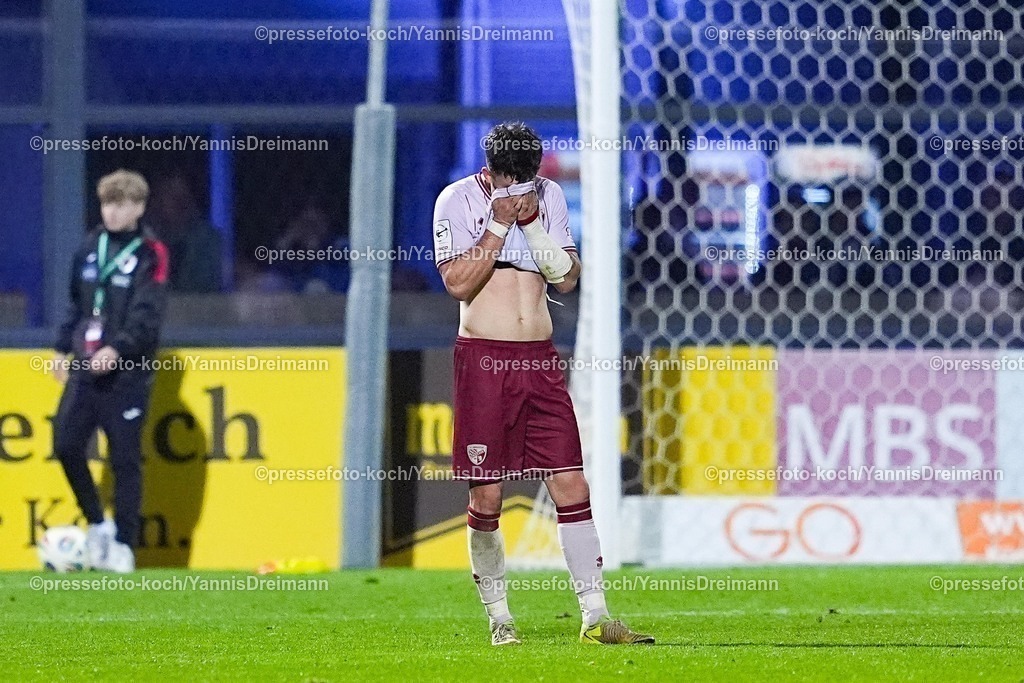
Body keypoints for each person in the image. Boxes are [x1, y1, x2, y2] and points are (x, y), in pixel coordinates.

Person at [433, 122, 654, 646]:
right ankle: (500, 619)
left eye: (527, 178)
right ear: (491, 170)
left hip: (540, 360)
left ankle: (596, 618)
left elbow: (567, 278)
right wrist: (497, 224)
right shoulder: (456, 200)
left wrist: (531, 224)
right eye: (510, 178)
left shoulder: (548, 195)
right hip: (483, 360)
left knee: (572, 484)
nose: (520, 187)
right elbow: (457, 284)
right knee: (488, 495)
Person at [52, 169, 169, 573]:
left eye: (120, 204)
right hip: (86, 367)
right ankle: (98, 525)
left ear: (139, 207)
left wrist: (118, 349)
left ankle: (123, 545)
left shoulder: (151, 253)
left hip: (128, 374)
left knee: (124, 459)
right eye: (106, 204)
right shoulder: (90, 246)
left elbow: (147, 315)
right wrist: (60, 349)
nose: (112, 212)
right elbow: (76, 304)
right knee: (66, 444)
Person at [147, 172, 222, 293]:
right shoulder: (144, 240)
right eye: (171, 196)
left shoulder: (208, 240)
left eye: (183, 196)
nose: (179, 202)